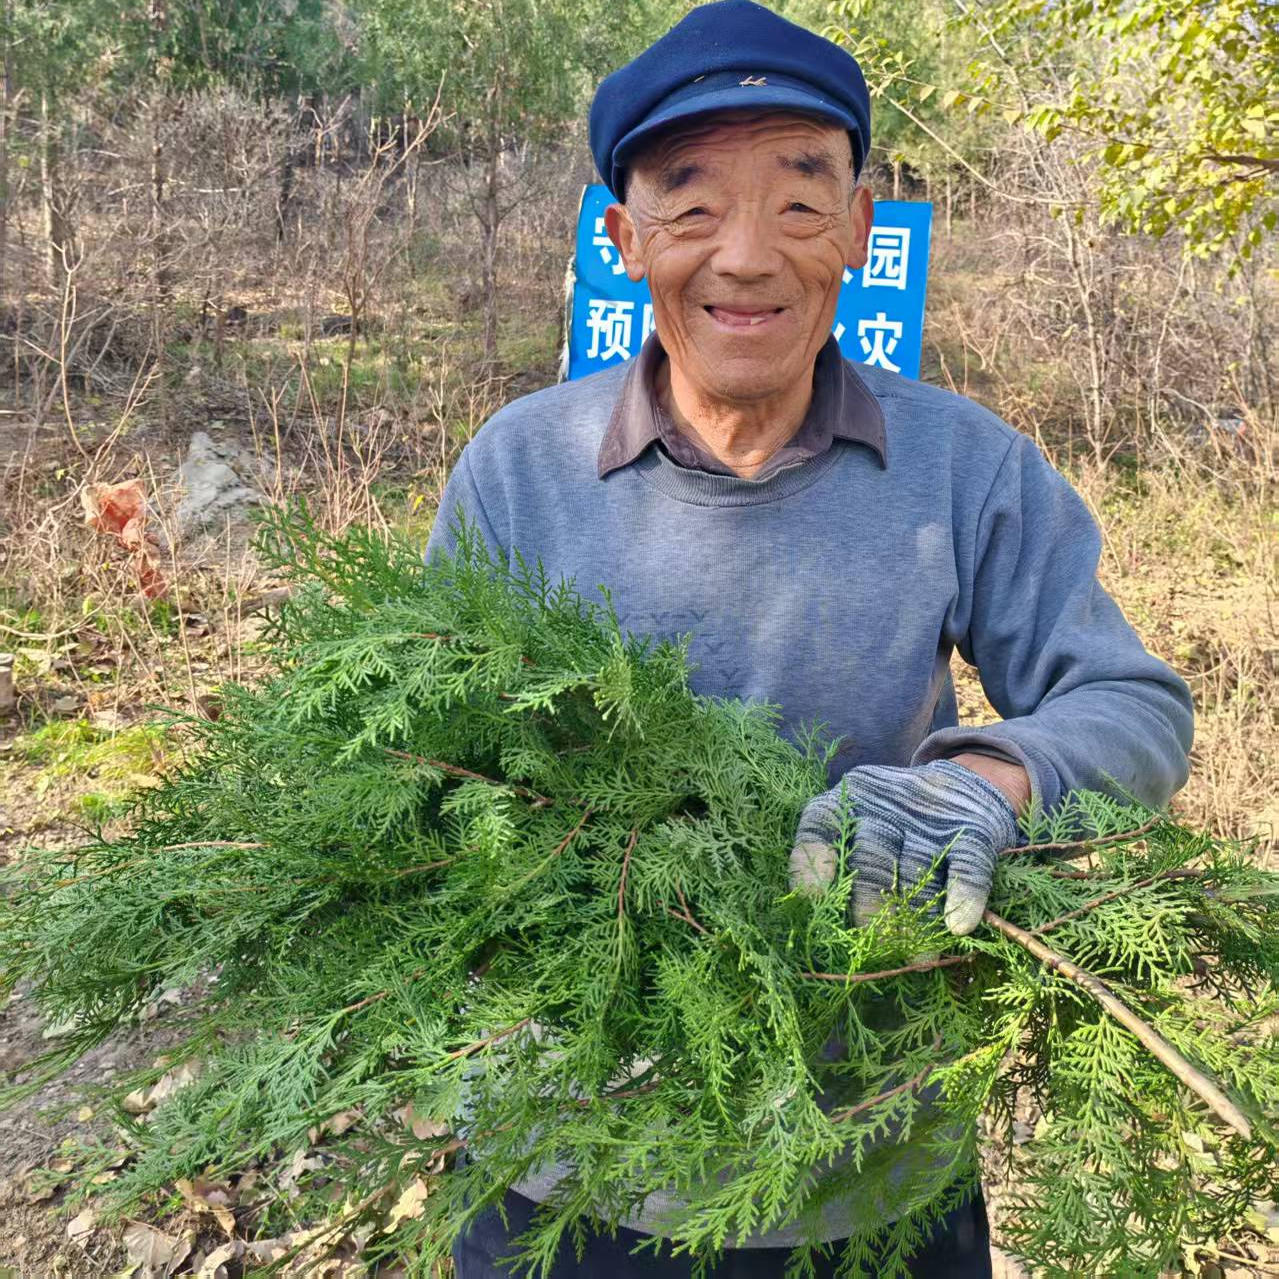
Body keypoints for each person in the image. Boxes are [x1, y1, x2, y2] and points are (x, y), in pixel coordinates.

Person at [427, 2, 1195, 1273]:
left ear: (859, 227)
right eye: (689, 205)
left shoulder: (965, 466)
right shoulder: (520, 469)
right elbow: (427, 769)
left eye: (796, 201)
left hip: (871, 1175)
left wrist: (986, 782)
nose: (744, 257)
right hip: (563, 1177)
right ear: (624, 239)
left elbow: (1132, 701)